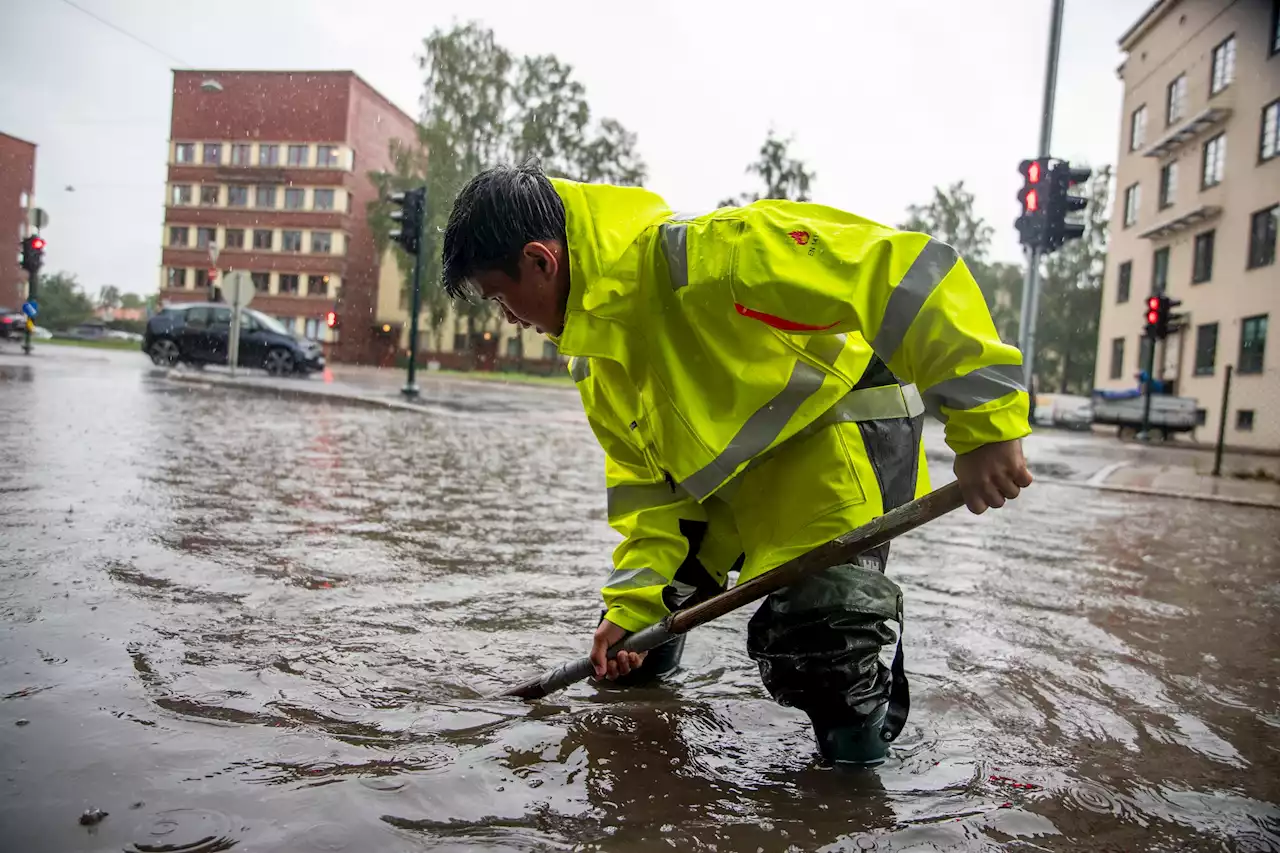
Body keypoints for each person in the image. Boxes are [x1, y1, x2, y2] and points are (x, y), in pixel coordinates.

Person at [442, 164, 1032, 766]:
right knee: (631, 654)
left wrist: (986, 423)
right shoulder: (594, 361)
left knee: (819, 646)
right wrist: (634, 608)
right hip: (731, 498)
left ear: (541, 261)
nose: (507, 317)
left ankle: (858, 767)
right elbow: (652, 497)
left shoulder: (712, 254)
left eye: (499, 298)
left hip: (836, 454)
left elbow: (904, 272)